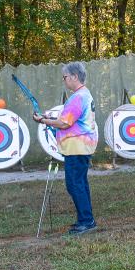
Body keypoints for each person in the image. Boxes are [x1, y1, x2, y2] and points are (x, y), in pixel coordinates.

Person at [33, 62, 98, 234]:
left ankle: (87, 221)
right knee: (80, 183)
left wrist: (42, 121)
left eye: (65, 77)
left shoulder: (77, 97)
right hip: (81, 147)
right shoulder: (84, 94)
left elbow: (64, 123)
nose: (64, 80)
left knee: (74, 184)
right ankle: (86, 219)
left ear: (74, 77)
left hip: (77, 147)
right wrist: (48, 116)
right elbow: (68, 117)